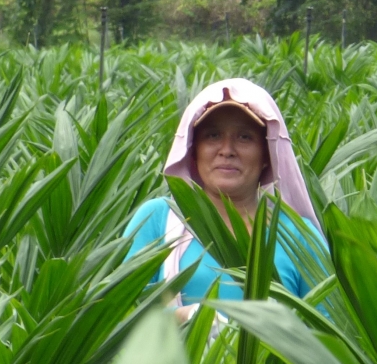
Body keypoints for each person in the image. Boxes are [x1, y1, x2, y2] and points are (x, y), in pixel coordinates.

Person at [123, 78, 325, 321]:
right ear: (193, 151)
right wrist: (191, 319)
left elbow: (328, 333)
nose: (227, 149)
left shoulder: (300, 237)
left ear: (267, 156)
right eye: (213, 135)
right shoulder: (158, 220)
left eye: (244, 137)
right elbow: (119, 314)